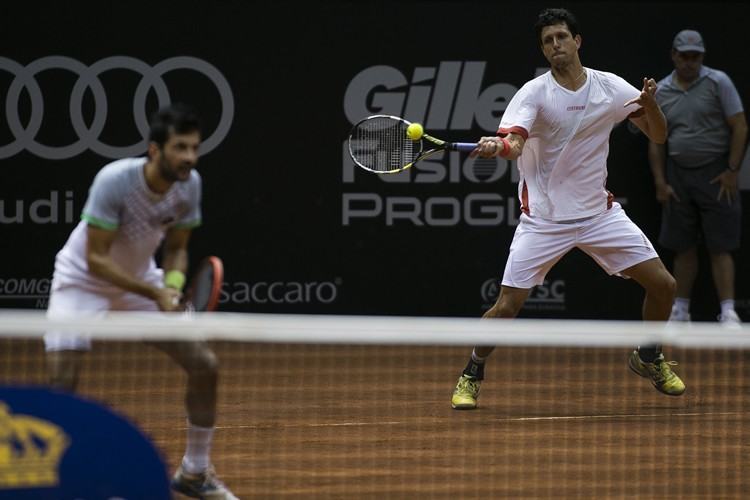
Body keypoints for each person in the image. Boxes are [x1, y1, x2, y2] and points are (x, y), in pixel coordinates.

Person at [451, 8, 685, 410]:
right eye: (547, 41)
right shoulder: (533, 94)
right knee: (506, 307)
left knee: (664, 285)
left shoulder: (610, 88)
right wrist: (497, 146)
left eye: (561, 36)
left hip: (598, 216)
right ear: (543, 50)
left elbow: (659, 136)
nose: (555, 45)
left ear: (577, 41)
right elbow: (514, 144)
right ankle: (473, 371)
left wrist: (652, 106)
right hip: (544, 220)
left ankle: (648, 356)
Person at [44, 103, 238, 499]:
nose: (189, 158)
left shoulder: (190, 184)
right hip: (81, 282)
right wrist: (156, 293)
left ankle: (195, 472)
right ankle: (60, 480)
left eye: (194, 148)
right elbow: (96, 260)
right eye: (180, 148)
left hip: (144, 282)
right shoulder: (114, 181)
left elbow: (178, 249)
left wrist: (174, 282)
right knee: (63, 385)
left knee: (204, 365)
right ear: (155, 150)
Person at [648, 29, 747, 327]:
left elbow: (740, 126)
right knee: (683, 247)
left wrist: (732, 171)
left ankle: (728, 311)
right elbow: (655, 140)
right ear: (674, 56)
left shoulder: (719, 82)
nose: (690, 62)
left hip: (716, 174)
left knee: (721, 246)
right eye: (685, 56)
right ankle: (680, 310)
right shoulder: (662, 90)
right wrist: (660, 182)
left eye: (696, 56)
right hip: (678, 175)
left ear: (702, 56)